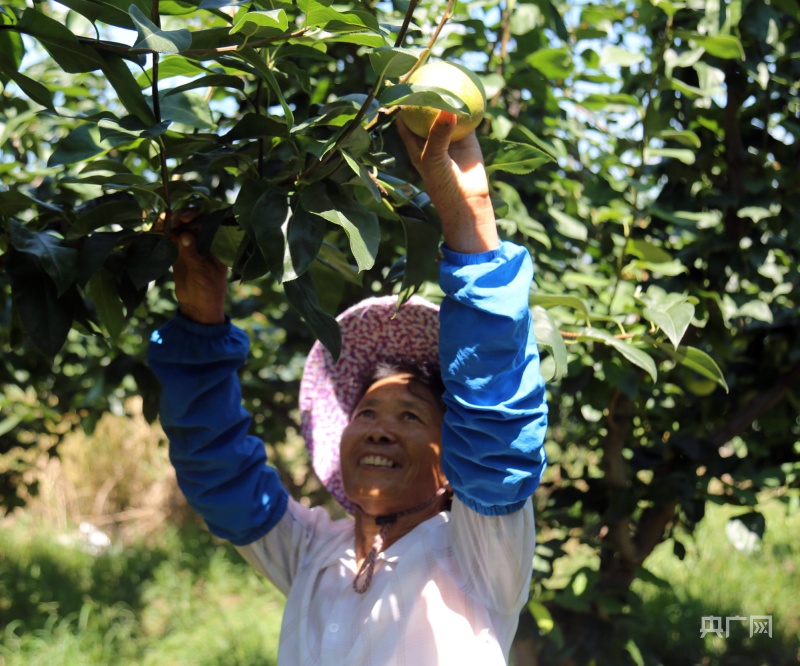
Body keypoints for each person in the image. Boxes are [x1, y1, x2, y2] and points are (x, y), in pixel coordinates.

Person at [147, 110, 548, 665]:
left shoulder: (479, 558)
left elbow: (495, 415)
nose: (381, 429)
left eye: (411, 416)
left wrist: (470, 216)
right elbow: (216, 469)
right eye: (367, 413)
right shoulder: (314, 551)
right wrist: (200, 318)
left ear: (449, 463)